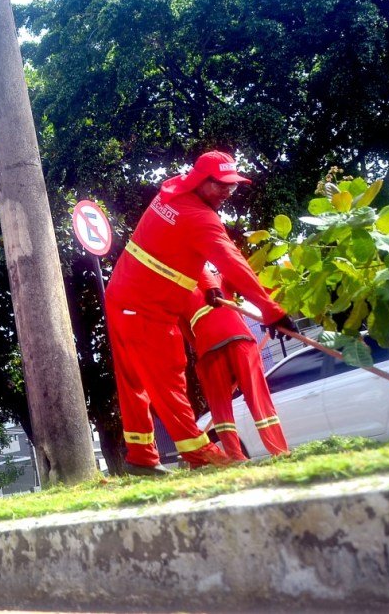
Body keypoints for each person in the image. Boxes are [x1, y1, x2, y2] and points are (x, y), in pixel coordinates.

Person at [105, 150, 296, 475]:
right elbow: (231, 262)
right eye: (221, 185)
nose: (227, 192)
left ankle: (141, 457)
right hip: (147, 309)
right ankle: (201, 454)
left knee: (133, 381)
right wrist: (270, 310)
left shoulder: (171, 192)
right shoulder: (201, 218)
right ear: (201, 181)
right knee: (168, 376)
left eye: (232, 186)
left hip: (121, 298)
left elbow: (176, 246)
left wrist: (208, 283)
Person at [182, 269, 289, 460]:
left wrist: (203, 351)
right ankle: (278, 450)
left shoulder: (180, 294)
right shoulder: (219, 278)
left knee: (220, 407)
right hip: (238, 340)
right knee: (257, 398)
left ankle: (236, 456)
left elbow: (189, 336)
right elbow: (249, 282)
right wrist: (275, 310)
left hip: (210, 349)